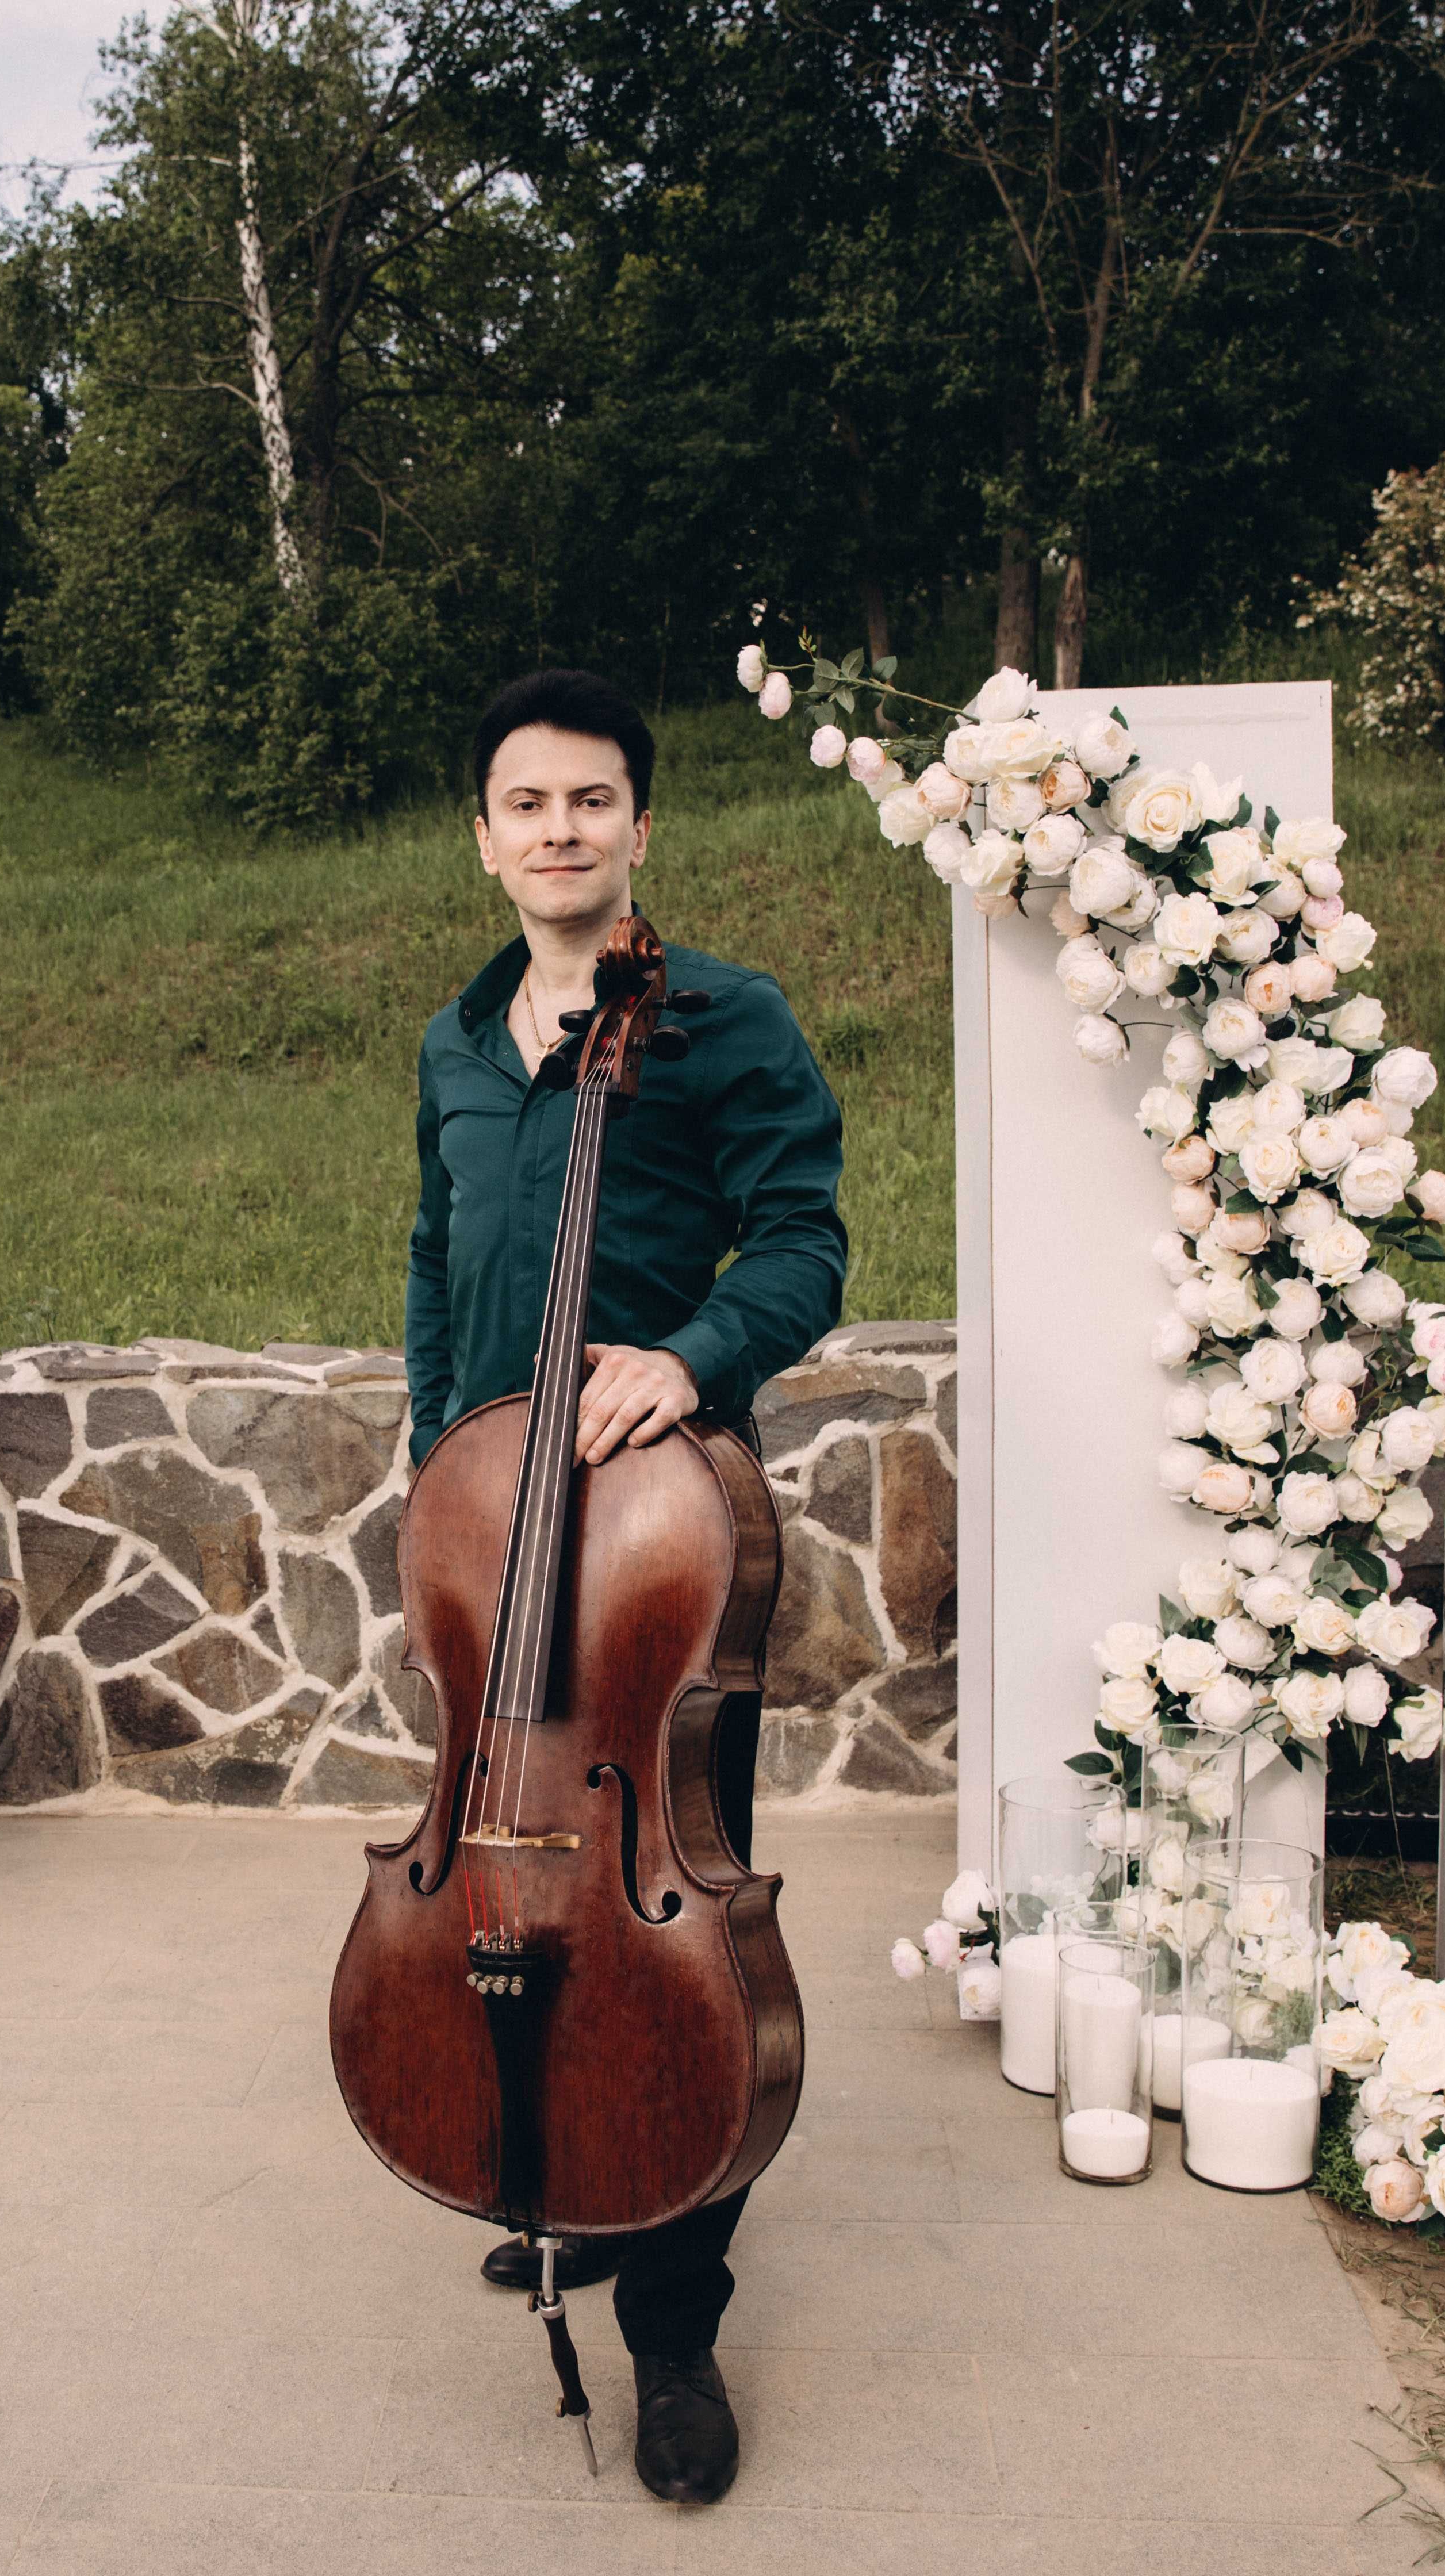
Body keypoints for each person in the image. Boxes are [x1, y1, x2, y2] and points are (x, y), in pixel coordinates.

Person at [403, 667, 849, 2506]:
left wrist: (696, 1354)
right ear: (486, 833)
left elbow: (808, 1236)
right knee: (507, 1886)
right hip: (498, 1547)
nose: (559, 830)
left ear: (640, 827)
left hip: (660, 1544)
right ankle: (563, 2176)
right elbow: (436, 1254)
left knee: (672, 1933)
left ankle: (674, 2328)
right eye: (527, 803)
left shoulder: (722, 1019)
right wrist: (440, 1452)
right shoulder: (451, 1038)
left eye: (594, 800)